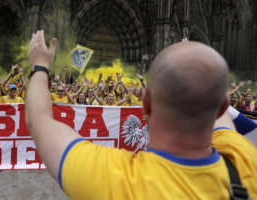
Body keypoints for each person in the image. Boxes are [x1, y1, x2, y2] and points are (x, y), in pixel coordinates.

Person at [26, 30, 257, 199]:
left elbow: (39, 121)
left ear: (146, 102)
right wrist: (195, 58)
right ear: (224, 106)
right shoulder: (245, 159)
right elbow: (219, 112)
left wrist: (40, 66)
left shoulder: (116, 181)